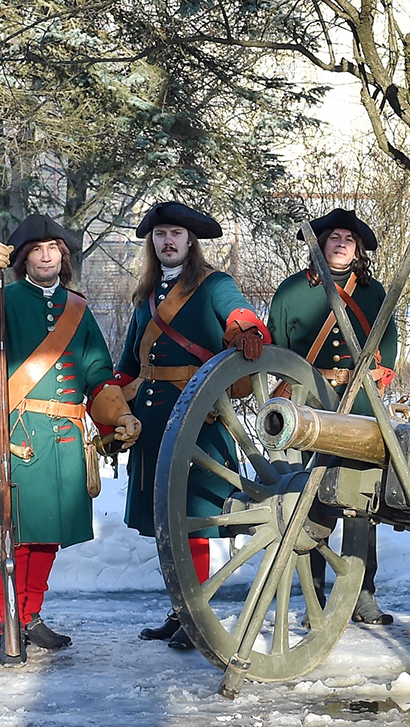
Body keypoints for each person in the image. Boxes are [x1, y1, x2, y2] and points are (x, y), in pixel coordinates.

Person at [0, 214, 141, 666]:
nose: (47, 255)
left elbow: (97, 374)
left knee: (47, 537)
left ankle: (32, 614)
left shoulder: (78, 308)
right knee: (13, 537)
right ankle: (10, 624)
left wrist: (118, 416)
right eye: (37, 249)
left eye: (55, 248)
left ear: (64, 256)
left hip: (62, 439)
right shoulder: (5, 297)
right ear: (23, 259)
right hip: (18, 433)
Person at [113, 201, 270, 650]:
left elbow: (242, 314)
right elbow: (128, 365)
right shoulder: (145, 296)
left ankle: (196, 613)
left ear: (190, 241)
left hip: (199, 416)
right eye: (160, 234)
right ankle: (180, 608)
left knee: (192, 522)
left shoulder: (213, 284)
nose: (167, 241)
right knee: (165, 523)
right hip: (152, 419)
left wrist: (246, 332)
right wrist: (111, 410)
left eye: (176, 234)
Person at [267, 208, 399, 625]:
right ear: (320, 245)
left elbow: (389, 344)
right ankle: (315, 595)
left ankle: (363, 593)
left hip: (360, 401)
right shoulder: (292, 292)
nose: (341, 243)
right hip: (310, 402)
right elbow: (279, 347)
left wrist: (375, 378)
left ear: (357, 248)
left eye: (348, 238)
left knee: (362, 499)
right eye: (333, 237)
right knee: (313, 499)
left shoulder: (374, 293)